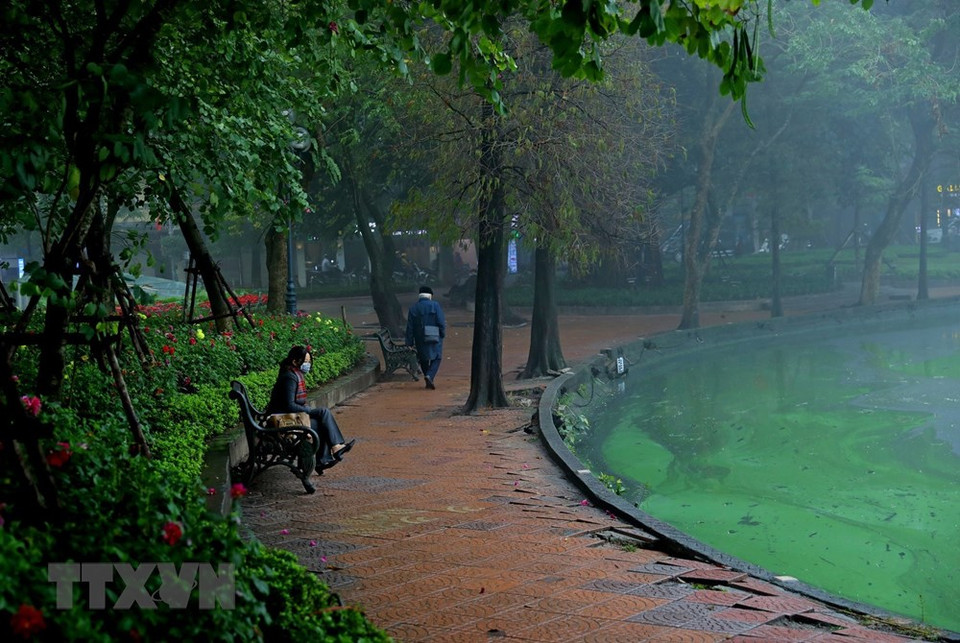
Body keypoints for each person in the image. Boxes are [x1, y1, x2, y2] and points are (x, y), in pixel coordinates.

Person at [266, 346, 355, 471]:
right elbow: (289, 405)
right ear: (295, 362)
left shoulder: (295, 374)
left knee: (320, 422)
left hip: (289, 417)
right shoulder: (289, 377)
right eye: (305, 362)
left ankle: (325, 458)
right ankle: (334, 449)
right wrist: (308, 410)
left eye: (309, 362)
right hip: (281, 420)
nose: (307, 365)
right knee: (322, 413)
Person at [405, 285, 446, 389]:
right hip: (434, 336)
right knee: (437, 357)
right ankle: (430, 375)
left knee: (423, 359)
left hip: (419, 338)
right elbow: (441, 322)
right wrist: (442, 333)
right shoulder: (435, 305)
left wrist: (409, 342)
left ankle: (428, 377)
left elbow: (410, 327)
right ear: (430, 296)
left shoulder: (413, 308)